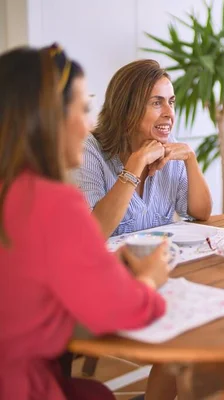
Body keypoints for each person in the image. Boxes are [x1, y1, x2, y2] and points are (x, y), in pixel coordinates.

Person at [0, 45, 169, 400]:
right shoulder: (52, 203)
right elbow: (122, 310)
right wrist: (149, 281)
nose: (89, 123)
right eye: (82, 109)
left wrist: (98, 264)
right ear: (48, 118)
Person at [75, 59, 212, 239]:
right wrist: (136, 164)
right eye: (156, 103)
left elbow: (201, 213)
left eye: (171, 102)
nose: (169, 113)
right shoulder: (90, 151)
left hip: (160, 264)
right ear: (126, 109)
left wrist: (190, 158)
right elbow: (93, 234)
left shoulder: (169, 146)